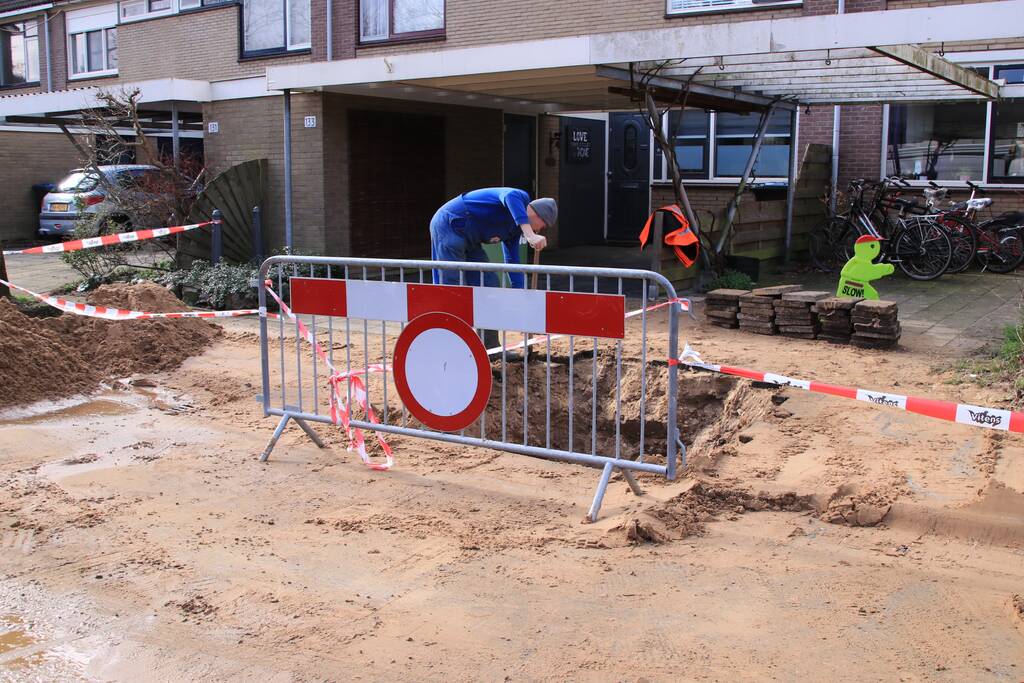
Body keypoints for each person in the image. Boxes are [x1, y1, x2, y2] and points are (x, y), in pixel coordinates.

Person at [429, 188, 557, 289]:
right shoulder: (520, 197)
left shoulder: (515, 230)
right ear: (539, 215)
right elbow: (509, 196)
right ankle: (446, 318)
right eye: (544, 226)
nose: (539, 230)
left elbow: (512, 261)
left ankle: (482, 319)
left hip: (471, 241)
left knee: (488, 281)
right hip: (449, 224)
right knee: (450, 279)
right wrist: (530, 235)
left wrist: (521, 292)